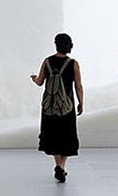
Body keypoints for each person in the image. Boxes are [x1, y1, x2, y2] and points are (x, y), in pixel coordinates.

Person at [31, 33, 84, 183]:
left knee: (53, 136)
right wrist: (81, 102)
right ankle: (61, 166)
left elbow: (40, 82)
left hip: (50, 106)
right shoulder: (73, 63)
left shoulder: (47, 61)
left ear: (56, 45)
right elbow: (78, 86)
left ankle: (58, 165)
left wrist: (34, 78)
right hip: (67, 106)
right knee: (66, 137)